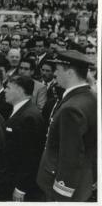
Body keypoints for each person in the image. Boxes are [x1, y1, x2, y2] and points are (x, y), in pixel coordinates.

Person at [37, 50, 97, 202]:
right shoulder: (88, 97)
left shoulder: (72, 108)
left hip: (65, 189)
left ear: (69, 73)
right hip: (82, 181)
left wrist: (61, 194)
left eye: (57, 69)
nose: (54, 74)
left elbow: (71, 155)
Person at [3, 75, 46, 201]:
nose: (5, 90)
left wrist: (21, 187)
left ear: (20, 91)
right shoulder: (21, 111)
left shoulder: (29, 117)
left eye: (8, 87)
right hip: (11, 178)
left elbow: (31, 157)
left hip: (18, 182)